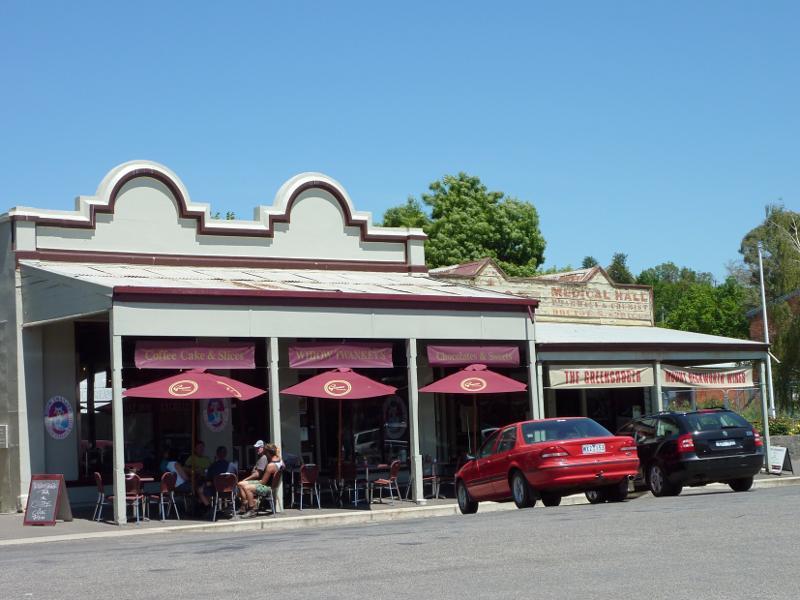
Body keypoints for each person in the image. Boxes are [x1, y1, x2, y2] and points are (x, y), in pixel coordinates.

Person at [238, 441, 284, 517]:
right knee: (242, 484)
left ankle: (252, 509)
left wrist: (252, 483)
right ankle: (247, 504)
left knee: (247, 488)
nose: (265, 455)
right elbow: (283, 466)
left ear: (269, 453)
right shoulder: (280, 461)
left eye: (266, 453)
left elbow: (263, 482)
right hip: (272, 485)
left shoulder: (270, 466)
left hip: (268, 488)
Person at [197, 446, 234, 515]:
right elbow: (235, 478)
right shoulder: (232, 465)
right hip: (230, 491)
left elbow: (208, 478)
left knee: (201, 489)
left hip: (217, 491)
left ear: (217, 454)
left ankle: (208, 508)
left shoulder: (213, 466)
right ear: (226, 454)